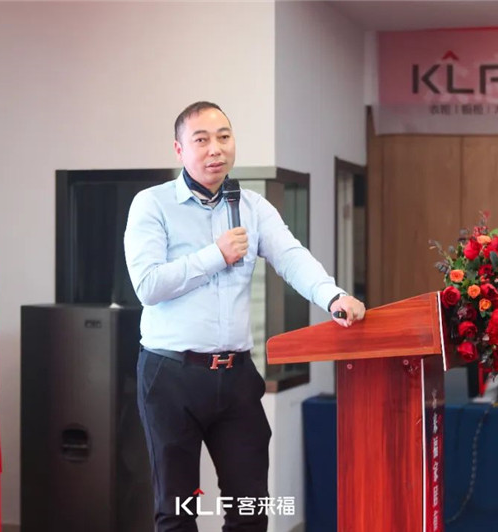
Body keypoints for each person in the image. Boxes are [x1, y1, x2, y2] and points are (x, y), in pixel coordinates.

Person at [123, 101, 365, 532]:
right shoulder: (152, 204)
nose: (215, 149)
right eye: (201, 140)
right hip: (170, 374)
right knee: (177, 512)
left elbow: (291, 256)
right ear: (179, 149)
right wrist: (215, 255)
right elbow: (148, 285)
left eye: (224, 137)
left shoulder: (252, 207)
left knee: (250, 509)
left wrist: (333, 296)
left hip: (235, 376)